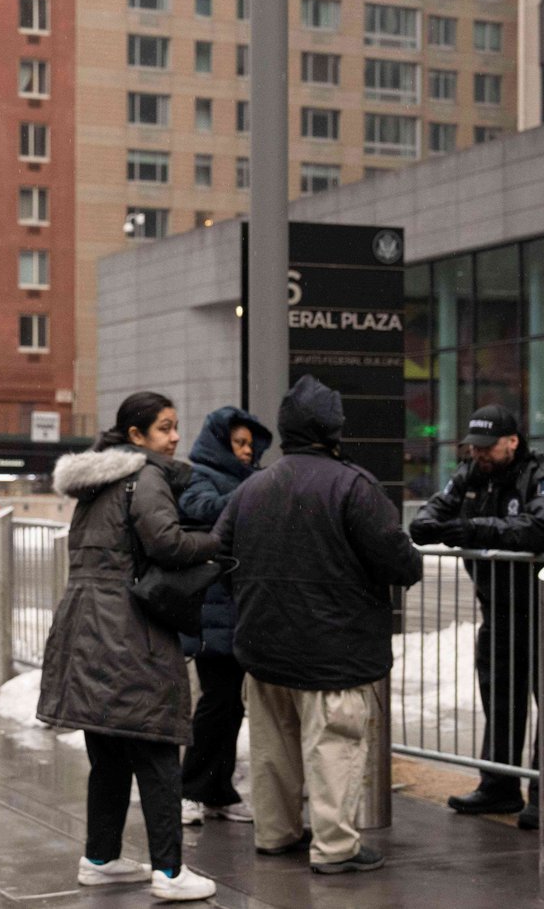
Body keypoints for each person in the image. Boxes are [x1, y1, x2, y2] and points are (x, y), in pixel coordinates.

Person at [215, 375, 422, 874]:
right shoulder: (353, 486)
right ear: (333, 431)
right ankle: (335, 848)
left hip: (263, 646)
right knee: (334, 749)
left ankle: (276, 833)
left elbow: (219, 554)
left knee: (271, 751)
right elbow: (399, 561)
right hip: (334, 650)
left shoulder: (252, 488)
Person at [38, 391, 221, 902]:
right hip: (128, 632)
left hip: (84, 629)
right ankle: (169, 871)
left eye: (176, 426)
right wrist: (218, 540)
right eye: (165, 428)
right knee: (157, 748)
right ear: (137, 436)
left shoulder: (96, 484)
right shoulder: (145, 476)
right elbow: (167, 543)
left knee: (111, 753)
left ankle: (101, 858)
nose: (175, 436)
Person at [409, 404, 544, 829]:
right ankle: (499, 787)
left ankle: (540, 795)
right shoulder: (472, 474)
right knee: (501, 697)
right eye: (475, 447)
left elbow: (539, 526)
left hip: (540, 604)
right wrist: (434, 527)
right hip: (500, 606)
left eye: (487, 447)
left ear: (512, 442)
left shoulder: (535, 474)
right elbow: (428, 515)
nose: (479, 455)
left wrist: (475, 529)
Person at [177, 406, 273, 827]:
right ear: (220, 443)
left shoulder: (250, 480)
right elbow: (202, 509)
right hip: (214, 611)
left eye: (250, 444)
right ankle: (191, 788)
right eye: (239, 443)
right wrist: (253, 493)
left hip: (242, 610)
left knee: (230, 705)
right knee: (217, 703)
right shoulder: (201, 475)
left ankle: (217, 791)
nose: (248, 451)